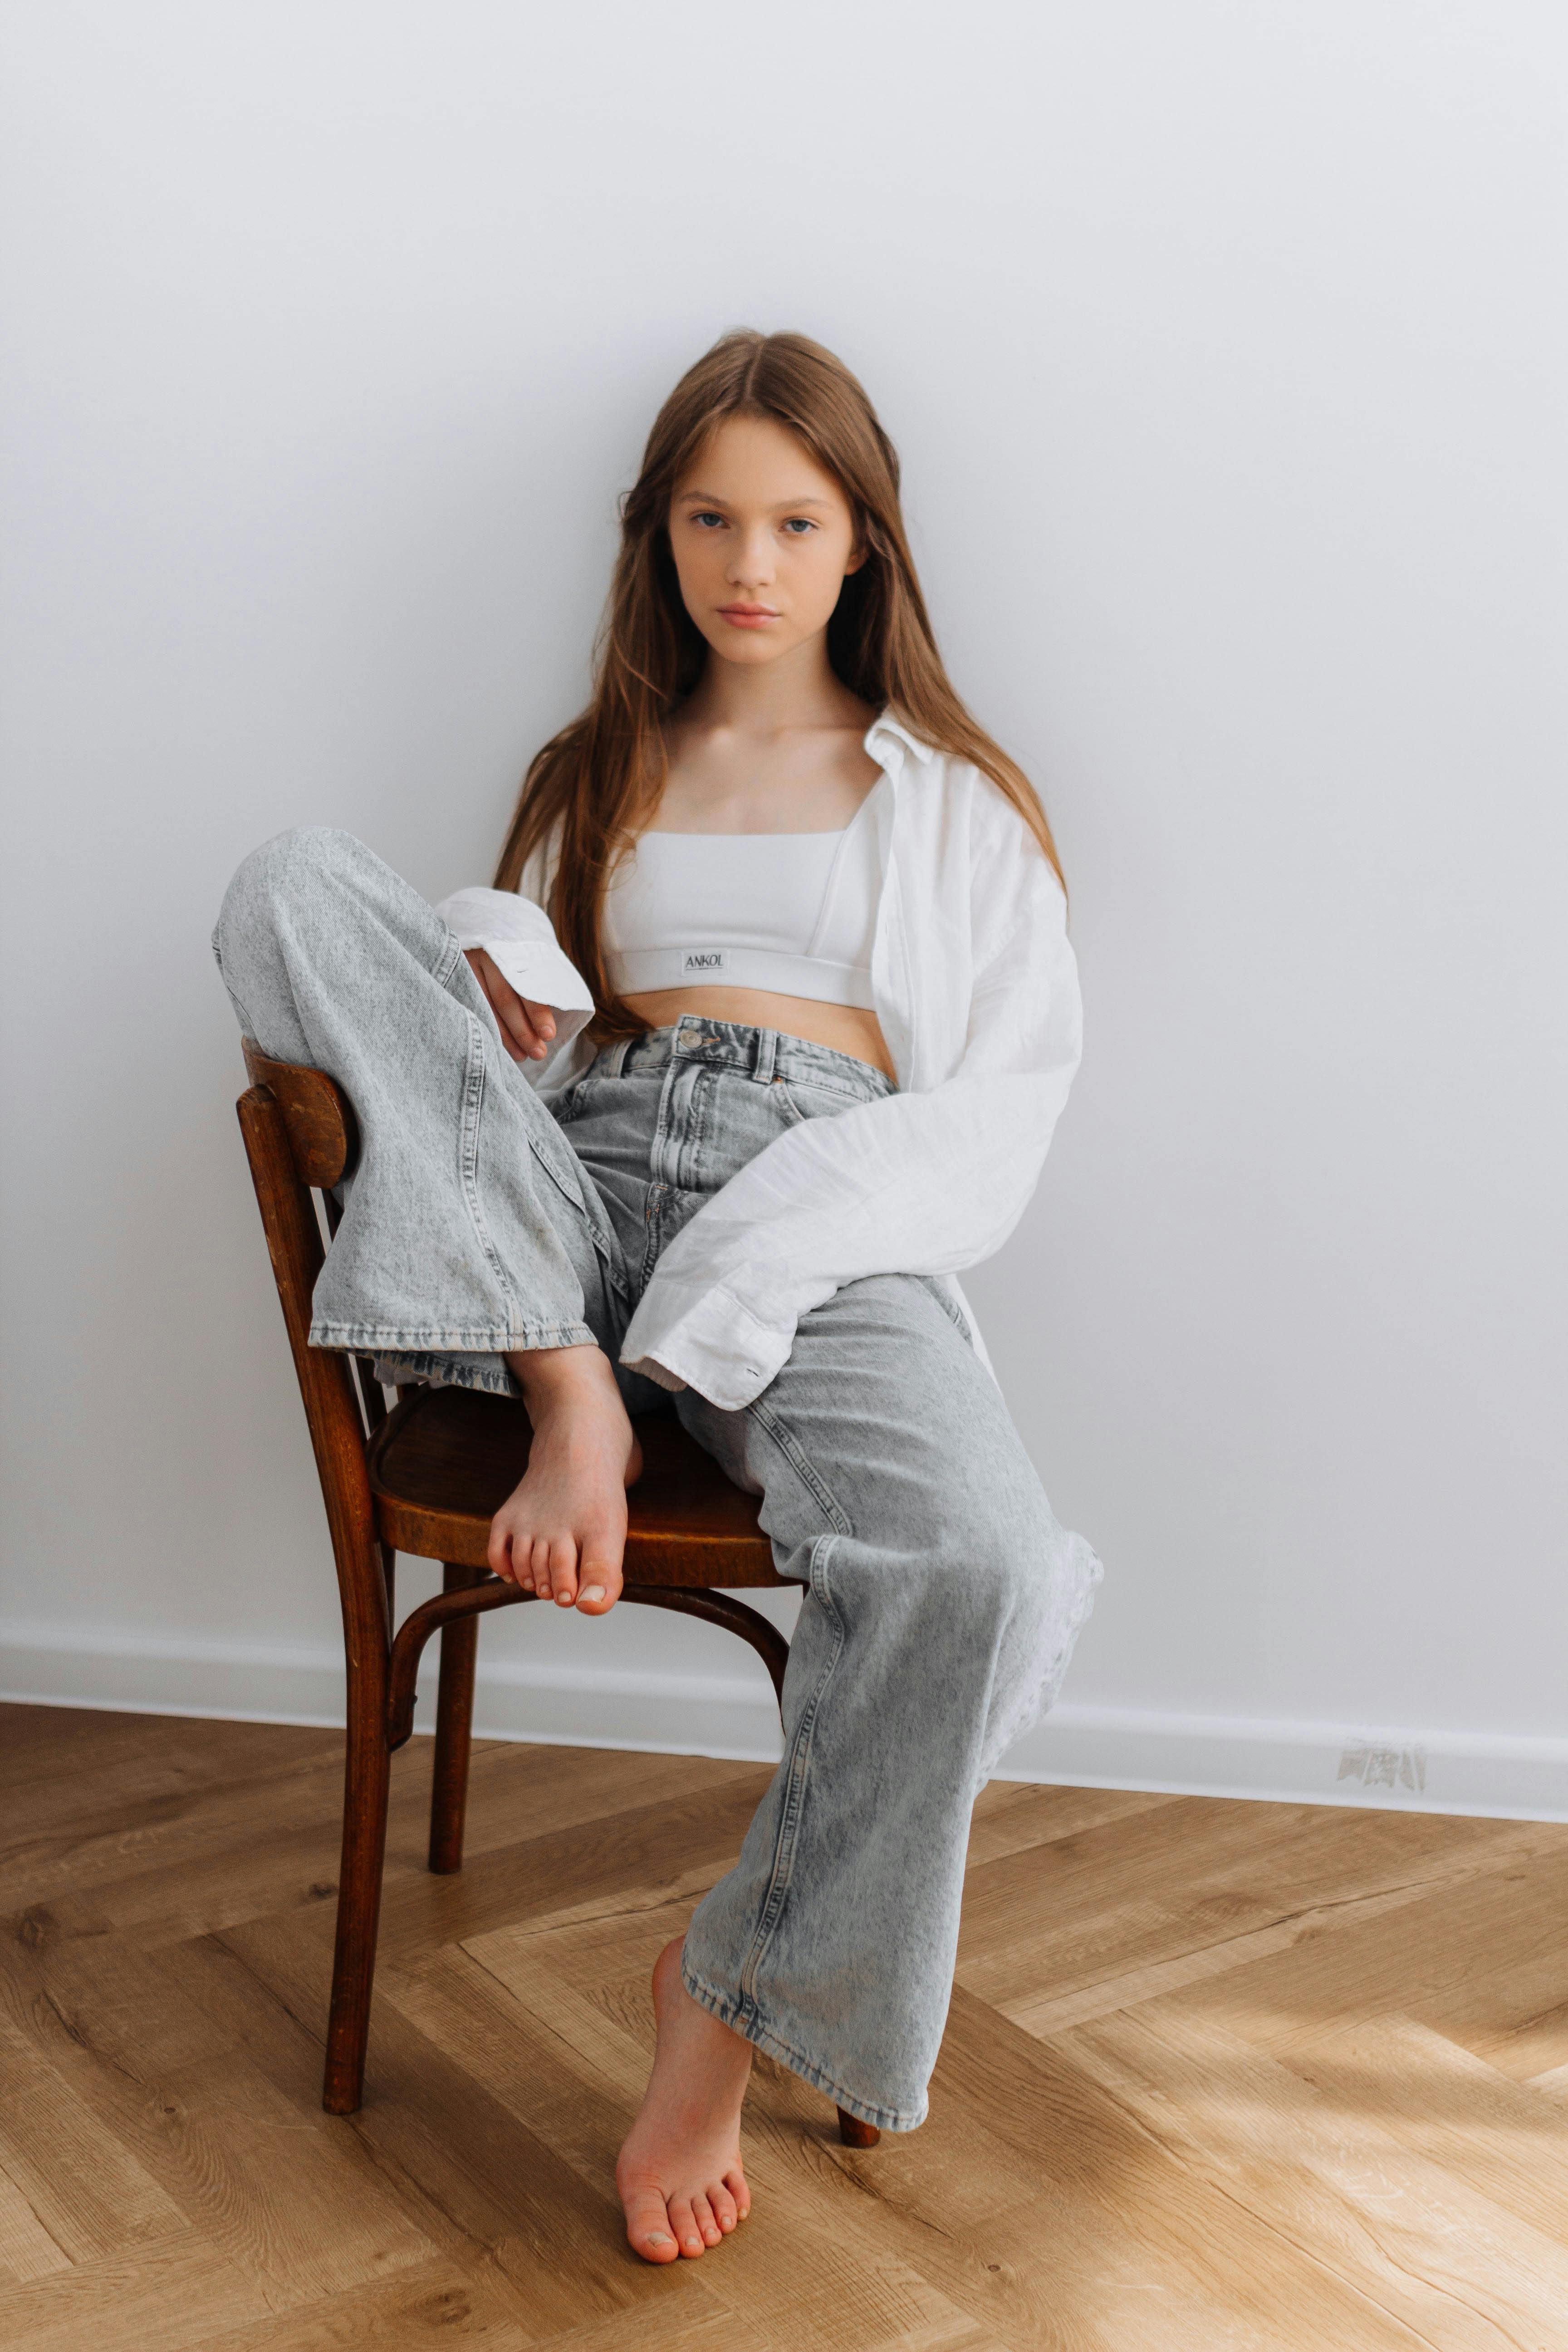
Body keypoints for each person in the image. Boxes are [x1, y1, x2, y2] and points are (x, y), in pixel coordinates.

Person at [214, 328, 1102, 2265]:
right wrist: (490, 975)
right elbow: (479, 1088)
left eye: (795, 519)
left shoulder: (953, 798)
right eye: (711, 516)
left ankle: (726, 1991)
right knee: (294, 881)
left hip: (818, 1200)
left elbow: (993, 1123)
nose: (750, 562)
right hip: (573, 1178)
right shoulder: (593, 767)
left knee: (988, 1561)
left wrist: (722, 1295)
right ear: (661, 534)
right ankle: (573, 1394)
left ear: (864, 541)